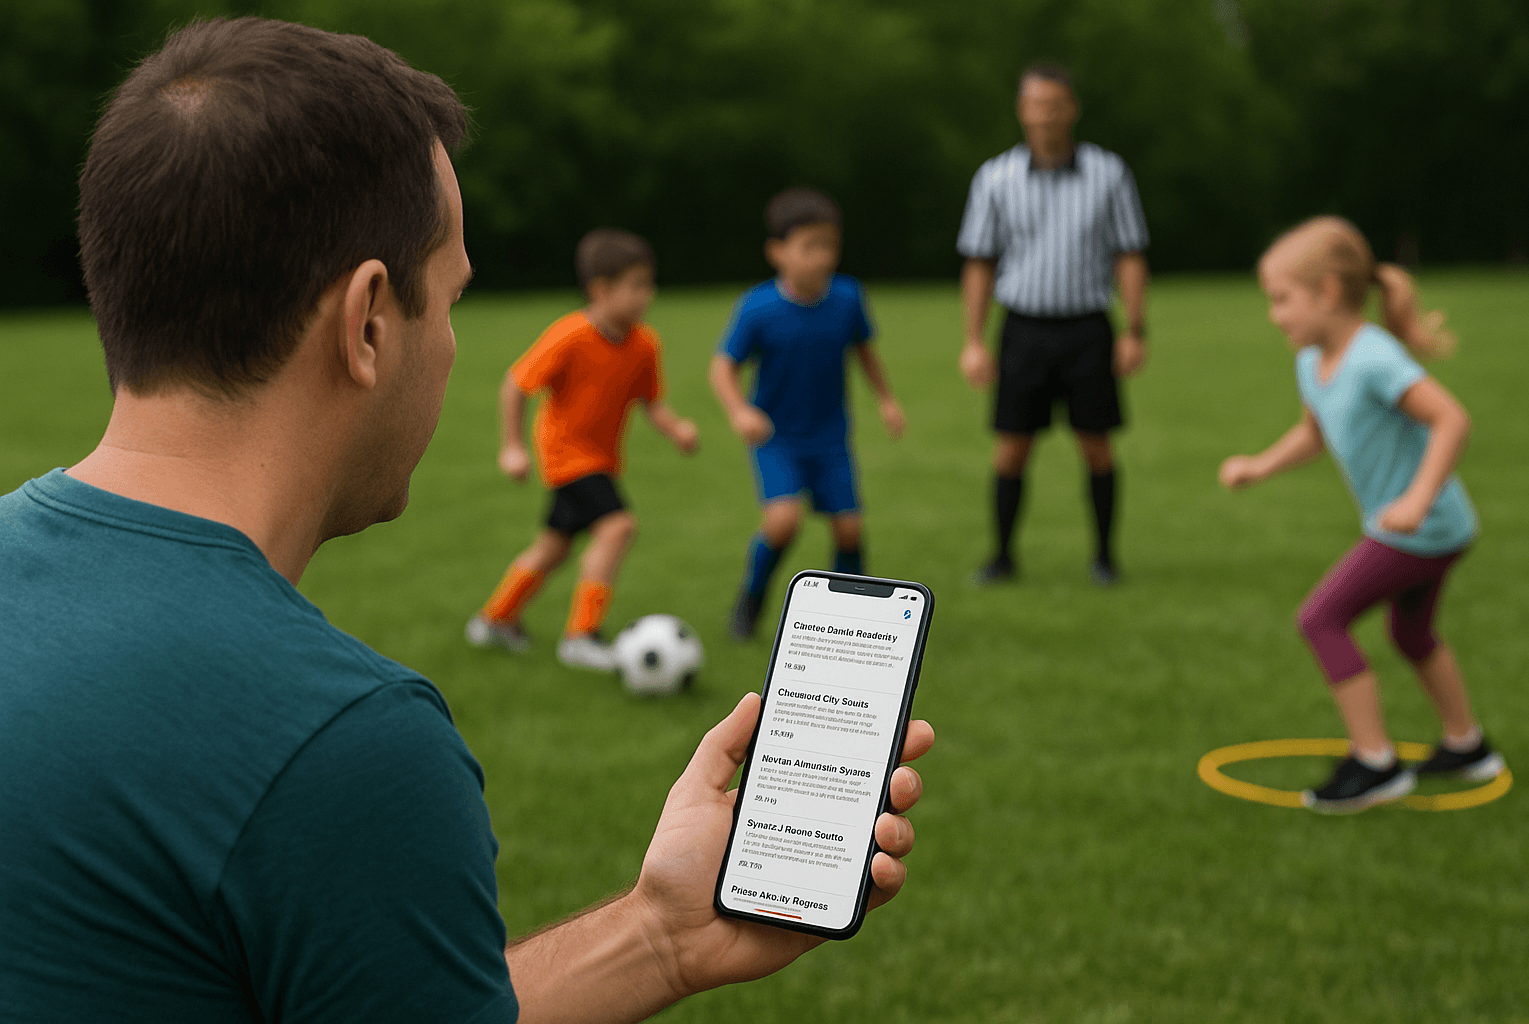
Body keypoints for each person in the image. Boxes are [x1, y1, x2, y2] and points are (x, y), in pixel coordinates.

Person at [0, 18, 934, 1022]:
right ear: (367, 323)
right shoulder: (342, 749)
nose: (449, 346)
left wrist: (657, 936)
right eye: (447, 300)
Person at [1219, 215, 1502, 814]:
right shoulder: (1310, 360)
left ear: (1326, 293)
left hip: (1421, 528)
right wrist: (1259, 466)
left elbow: (1451, 418)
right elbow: (1312, 435)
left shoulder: (1374, 357)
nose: (1274, 315)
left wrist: (1419, 497)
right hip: (1434, 528)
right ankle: (1468, 747)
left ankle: (1375, 762)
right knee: (1412, 633)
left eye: (1281, 300)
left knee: (1321, 618)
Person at [466, 229, 698, 670]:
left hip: (601, 461)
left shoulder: (645, 343)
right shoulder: (570, 335)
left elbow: (651, 402)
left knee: (553, 548)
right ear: (601, 290)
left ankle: (494, 620)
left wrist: (677, 430)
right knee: (618, 526)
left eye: (649, 284)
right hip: (566, 456)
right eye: (636, 286)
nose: (647, 295)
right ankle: (581, 636)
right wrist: (512, 447)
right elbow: (516, 385)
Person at [956, 62, 1150, 586]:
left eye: (1055, 105)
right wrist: (973, 341)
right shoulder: (995, 178)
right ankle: (1001, 556)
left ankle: (1105, 557)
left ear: (1072, 109)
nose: (1045, 116)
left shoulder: (1109, 174)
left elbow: (1129, 253)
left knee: (1097, 442)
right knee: (1012, 444)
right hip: (1023, 327)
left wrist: (1134, 329)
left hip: (1088, 325)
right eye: (1036, 105)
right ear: (1022, 111)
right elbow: (979, 260)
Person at [709, 188, 907, 640]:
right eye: (809, 246)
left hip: (831, 438)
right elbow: (722, 368)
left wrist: (886, 399)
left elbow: (864, 351)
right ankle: (751, 600)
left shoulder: (848, 297)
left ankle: (849, 624)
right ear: (777, 252)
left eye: (830, 246)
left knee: (850, 529)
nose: (822, 257)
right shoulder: (757, 307)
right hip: (777, 438)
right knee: (782, 522)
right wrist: (740, 411)